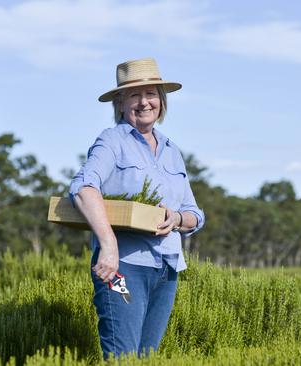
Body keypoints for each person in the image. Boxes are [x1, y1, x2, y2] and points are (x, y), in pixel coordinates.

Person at [68, 57, 205, 359]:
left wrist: (177, 217)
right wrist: (108, 245)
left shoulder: (171, 150)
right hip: (124, 270)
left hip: (167, 269)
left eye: (151, 94)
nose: (144, 102)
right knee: (122, 357)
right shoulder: (112, 141)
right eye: (134, 95)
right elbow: (83, 187)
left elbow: (195, 213)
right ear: (119, 103)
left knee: (147, 358)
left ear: (161, 100)